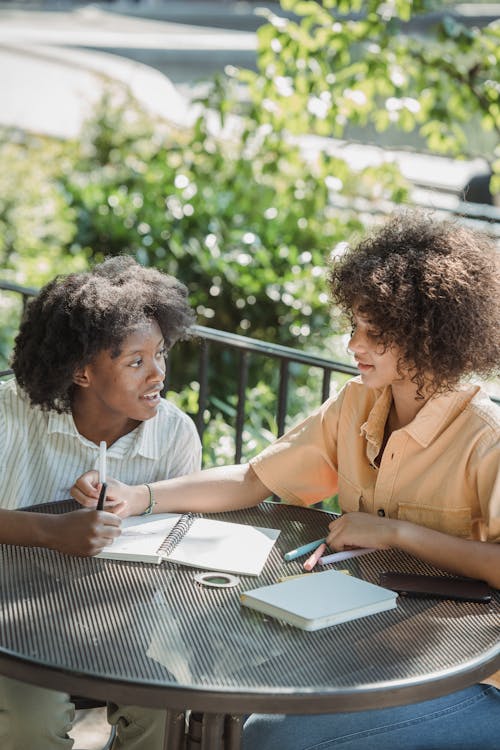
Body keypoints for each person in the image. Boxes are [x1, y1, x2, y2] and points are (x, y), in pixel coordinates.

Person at [72, 213, 500, 750]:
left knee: (271, 738)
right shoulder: (356, 405)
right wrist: (141, 497)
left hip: (474, 680)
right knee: (196, 692)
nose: (352, 345)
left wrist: (396, 534)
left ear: (428, 337)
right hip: (372, 643)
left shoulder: (487, 440)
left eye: (375, 334)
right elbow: (254, 480)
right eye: (354, 326)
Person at [0, 256, 202, 749]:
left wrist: (139, 511)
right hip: (12, 624)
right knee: (33, 721)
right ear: (82, 372)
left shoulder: (175, 434)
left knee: (164, 712)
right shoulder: (9, 414)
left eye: (161, 355)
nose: (157, 375)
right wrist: (48, 531)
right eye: (136, 362)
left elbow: (180, 546)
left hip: (119, 623)